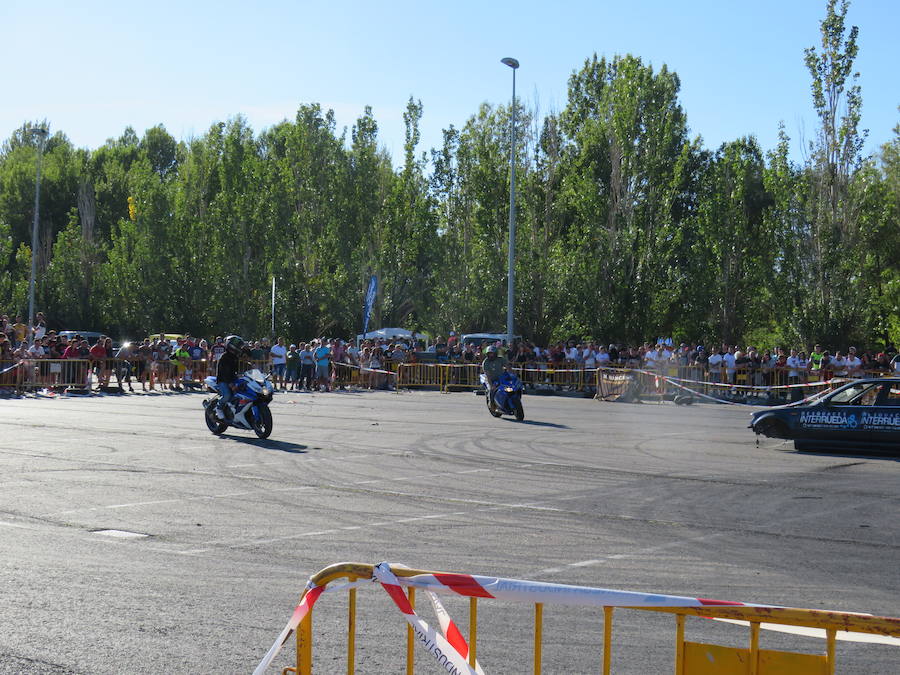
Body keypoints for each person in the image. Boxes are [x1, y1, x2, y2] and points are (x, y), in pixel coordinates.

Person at [214, 335, 246, 419]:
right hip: (223, 381)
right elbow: (224, 373)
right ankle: (219, 408)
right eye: (238, 346)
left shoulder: (235, 357)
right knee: (227, 395)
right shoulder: (224, 357)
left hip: (233, 379)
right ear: (232, 346)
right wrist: (230, 384)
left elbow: (238, 369)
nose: (240, 348)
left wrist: (250, 368)